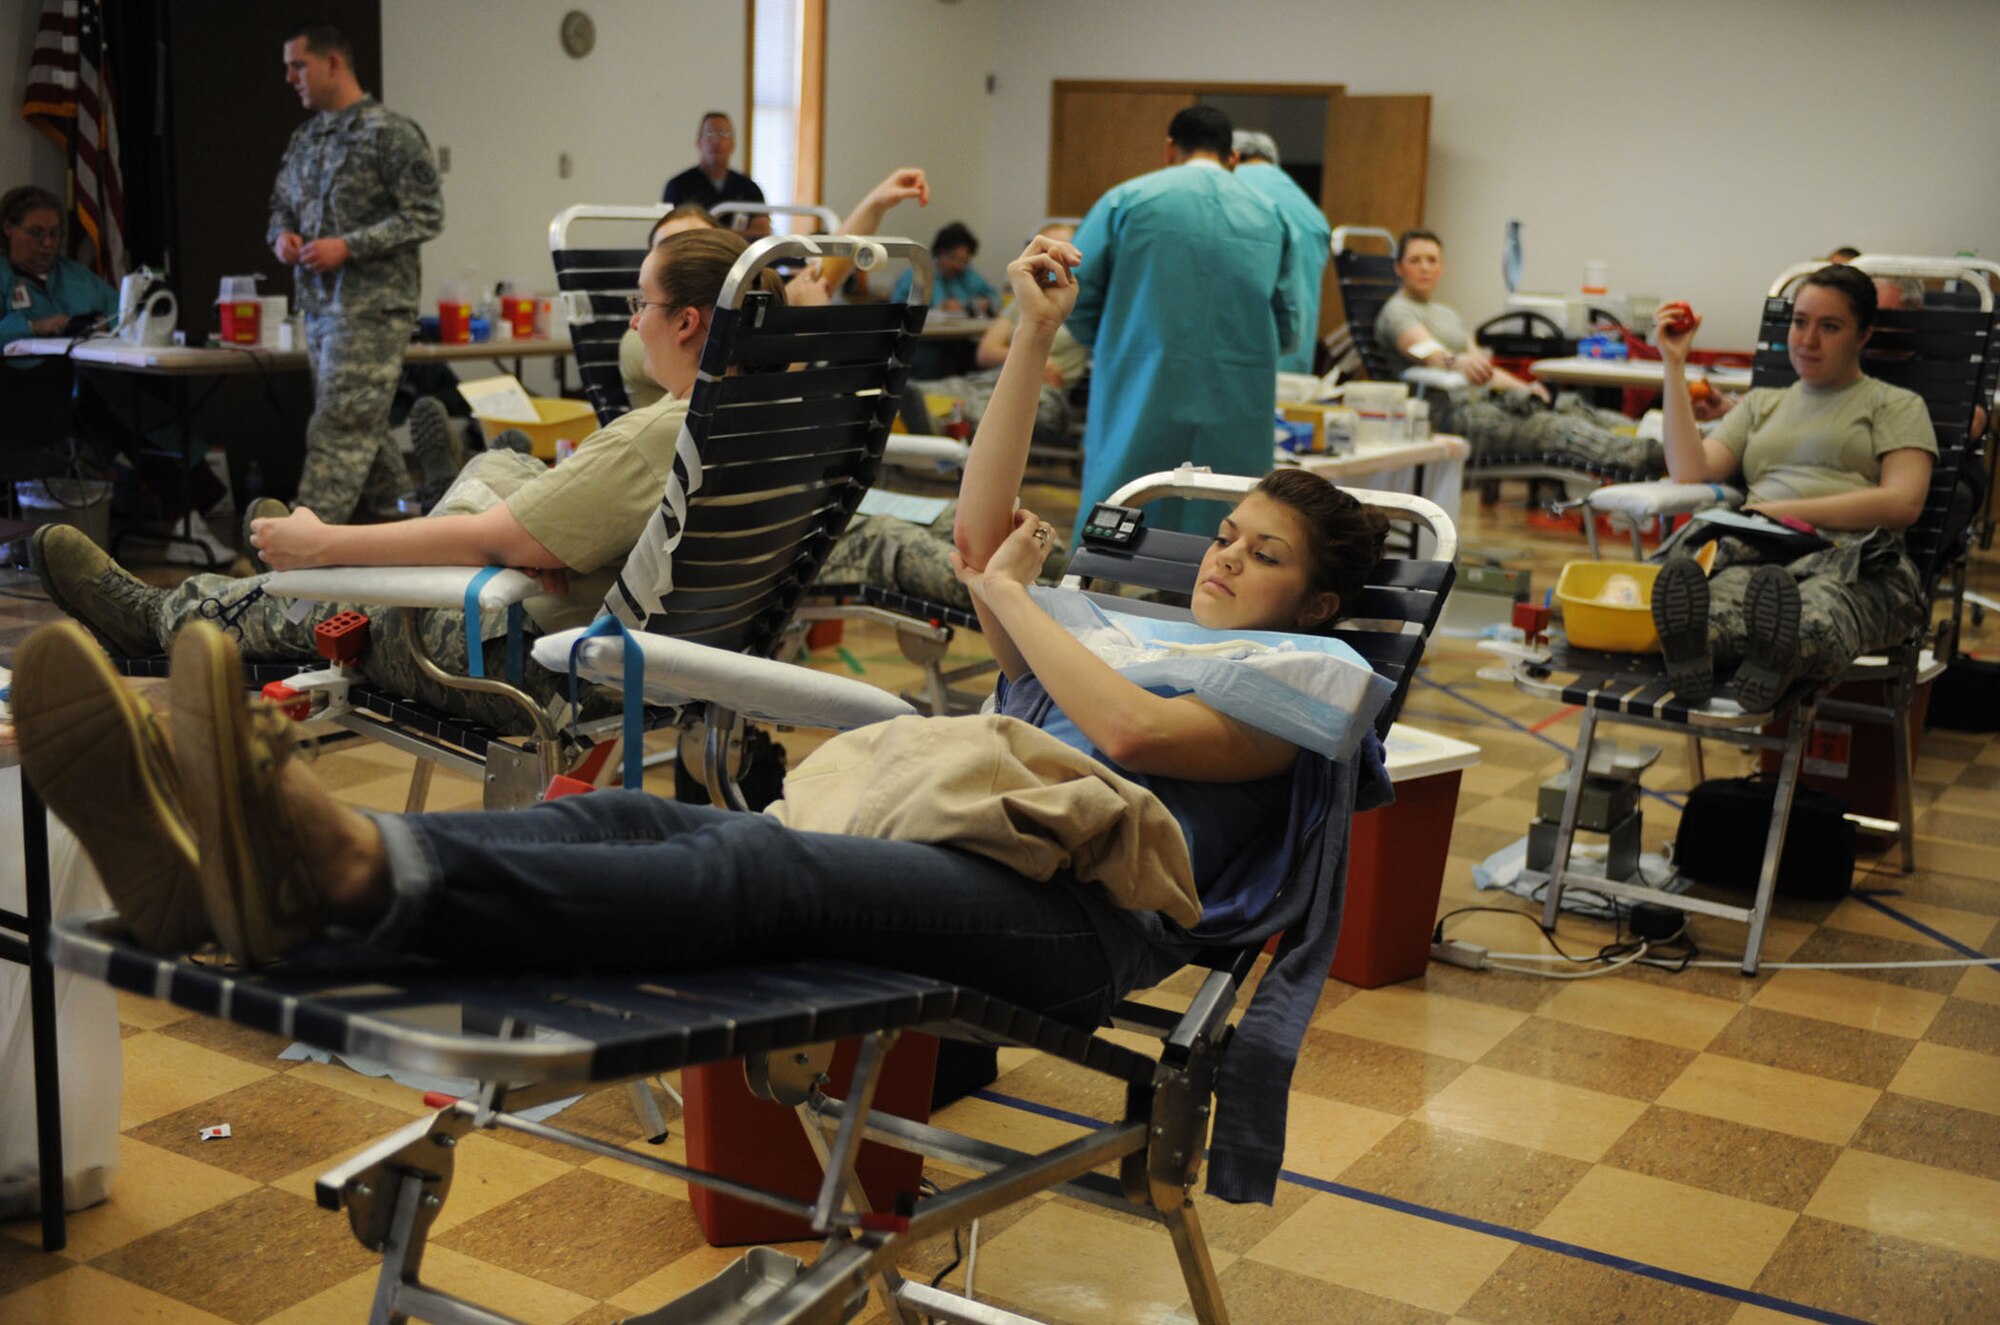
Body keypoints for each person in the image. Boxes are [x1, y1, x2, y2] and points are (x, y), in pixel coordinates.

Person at [12, 233, 1395, 1205]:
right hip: (979, 835)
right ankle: (222, 864)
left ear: (1318, 599)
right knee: (625, 811)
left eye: (1261, 555)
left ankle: (339, 867)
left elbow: (1138, 741)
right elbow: (983, 540)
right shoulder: (1134, 623)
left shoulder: (1311, 685)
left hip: (1088, 912)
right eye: (1229, 535)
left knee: (756, 864)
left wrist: (1022, 607)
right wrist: (1032, 335)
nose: (1222, 558)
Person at [31, 228, 781, 732]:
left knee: (331, 585)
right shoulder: (769, 417)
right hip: (665, 649)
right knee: (503, 467)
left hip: (523, 659)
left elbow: (492, 537)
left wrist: (326, 543)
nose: (632, 323)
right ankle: (395, 511)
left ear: (687, 322)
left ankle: (163, 613)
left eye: (640, 304)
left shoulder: (661, 433)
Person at [1648, 263, 1936, 710]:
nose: (1808, 339)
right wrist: (1674, 362)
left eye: (1830, 326)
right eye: (1800, 322)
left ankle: (1778, 658)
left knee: (1819, 608)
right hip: (1760, 549)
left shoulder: (1895, 405)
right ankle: (1702, 650)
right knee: (1722, 601)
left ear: (1864, 335)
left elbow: (1903, 503)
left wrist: (1788, 511)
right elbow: (1690, 468)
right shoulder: (1761, 404)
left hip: (1854, 556)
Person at [1068, 105, 1297, 536]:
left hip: (1140, 385)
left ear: (1170, 148)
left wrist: (1119, 340)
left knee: (1123, 500)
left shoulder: (1128, 200)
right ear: (1232, 157)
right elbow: (1288, 323)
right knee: (1226, 515)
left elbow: (1072, 294)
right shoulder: (1269, 212)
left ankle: (1102, 593)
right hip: (1237, 397)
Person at [269, 23, 444, 524]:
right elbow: (279, 207)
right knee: (361, 426)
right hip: (320, 307)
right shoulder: (305, 138)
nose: (290, 77)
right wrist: (282, 237)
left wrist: (348, 246)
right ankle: (404, 524)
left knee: (340, 427)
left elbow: (427, 213)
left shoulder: (390, 133)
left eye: (298, 65)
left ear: (333, 64)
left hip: (372, 306)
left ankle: (296, 551)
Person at [1375, 229, 1545, 398]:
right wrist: (1459, 362)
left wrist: (1526, 389)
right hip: (1433, 408)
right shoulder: (1397, 311)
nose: (1425, 268)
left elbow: (1484, 370)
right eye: (1415, 260)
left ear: (1441, 268)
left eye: (1432, 260)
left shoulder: (1448, 314)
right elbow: (1427, 353)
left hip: (1475, 400)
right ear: (1399, 268)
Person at [1232, 131, 1331, 375]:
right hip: (1295, 356)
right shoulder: (1308, 209)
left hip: (1244, 353)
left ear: (1234, 156)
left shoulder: (1233, 184)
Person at [0, 185, 117, 349]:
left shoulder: (77, 274)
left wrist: (107, 326)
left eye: (54, 233)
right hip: (20, 372)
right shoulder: (4, 274)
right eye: (36, 233)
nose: (48, 243)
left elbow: (124, 313)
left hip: (83, 369)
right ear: (8, 228)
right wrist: (35, 327)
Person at [661, 112, 767, 236]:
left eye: (724, 134)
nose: (716, 141)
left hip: (739, 254)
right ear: (699, 142)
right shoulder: (678, 186)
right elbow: (669, 232)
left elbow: (762, 232)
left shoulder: (749, 189)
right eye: (710, 133)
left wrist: (714, 234)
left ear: (733, 144)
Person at [891, 221, 997, 316]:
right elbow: (896, 310)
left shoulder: (968, 275)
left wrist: (984, 304)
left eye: (964, 261)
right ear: (940, 252)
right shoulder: (916, 275)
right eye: (953, 258)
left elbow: (996, 298)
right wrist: (938, 308)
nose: (958, 265)